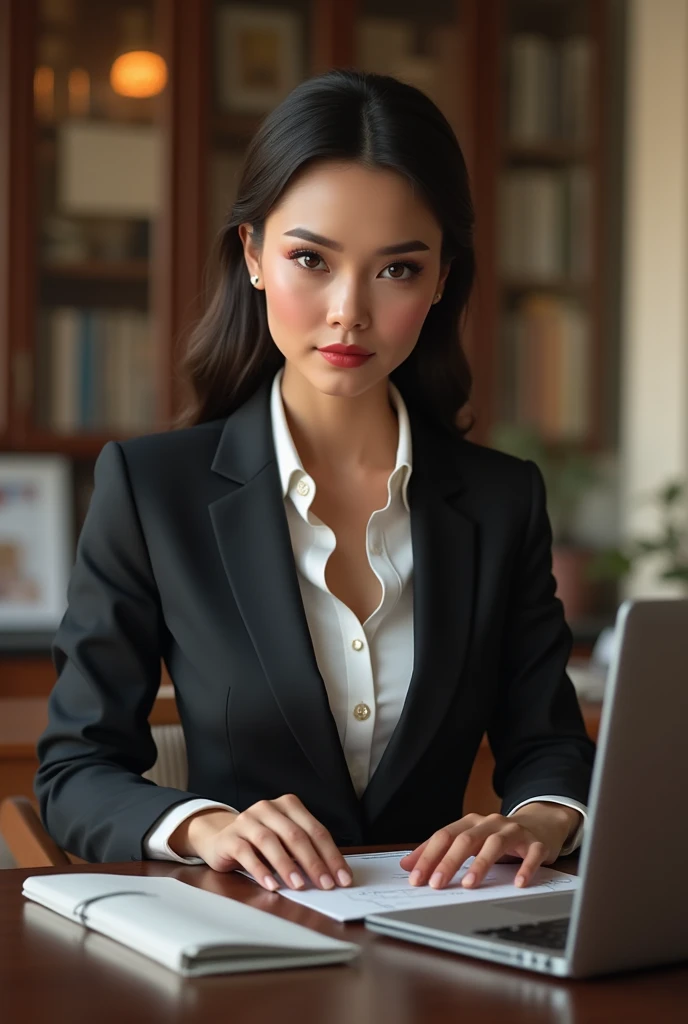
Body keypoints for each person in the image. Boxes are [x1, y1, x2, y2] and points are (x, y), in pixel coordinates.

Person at [35, 69, 595, 896]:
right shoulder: (154, 492)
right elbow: (76, 771)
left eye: (397, 270)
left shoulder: (502, 499)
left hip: (443, 942)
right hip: (239, 946)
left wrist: (537, 820)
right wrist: (205, 825)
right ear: (254, 255)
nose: (348, 311)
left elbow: (548, 742)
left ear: (442, 280)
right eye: (311, 259)